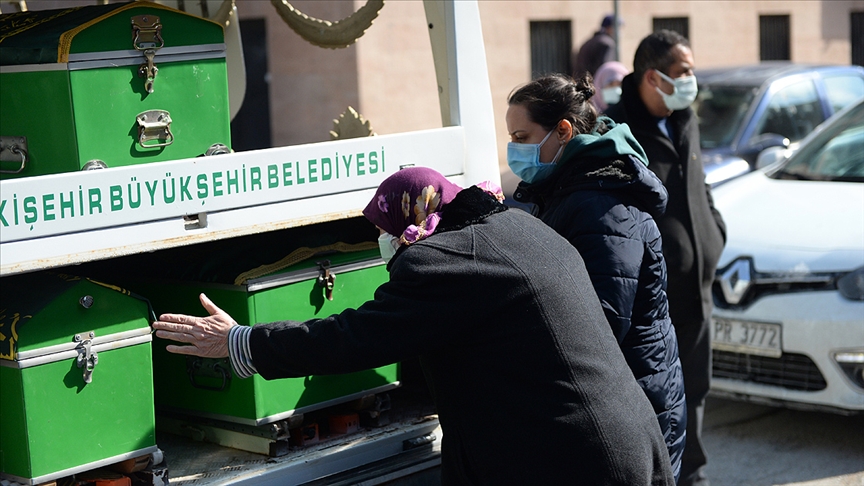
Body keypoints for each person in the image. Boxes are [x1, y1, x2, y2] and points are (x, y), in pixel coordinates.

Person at [152, 167, 675, 485]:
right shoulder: (513, 226)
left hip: (570, 465)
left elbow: (351, 337)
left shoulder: (444, 263)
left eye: (383, 231)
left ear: (410, 220)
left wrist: (238, 341)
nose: (385, 243)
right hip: (626, 442)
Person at [508, 73, 687, 481]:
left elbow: (601, 323)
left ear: (564, 131)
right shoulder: (574, 188)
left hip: (637, 403)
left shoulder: (600, 205)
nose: (514, 150)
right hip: (621, 399)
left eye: (521, 136)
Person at [605, 30, 726, 486]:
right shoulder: (616, 133)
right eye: (683, 73)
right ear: (652, 78)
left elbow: (701, 185)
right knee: (653, 396)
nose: (692, 80)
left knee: (695, 390)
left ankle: (693, 477)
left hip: (698, 287)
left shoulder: (683, 117)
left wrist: (714, 233)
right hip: (653, 297)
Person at [572, 14, 620, 79]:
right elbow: (604, 70)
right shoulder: (607, 43)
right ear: (609, 28)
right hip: (596, 85)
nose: (619, 32)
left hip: (583, 83)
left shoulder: (590, 41)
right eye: (618, 28)